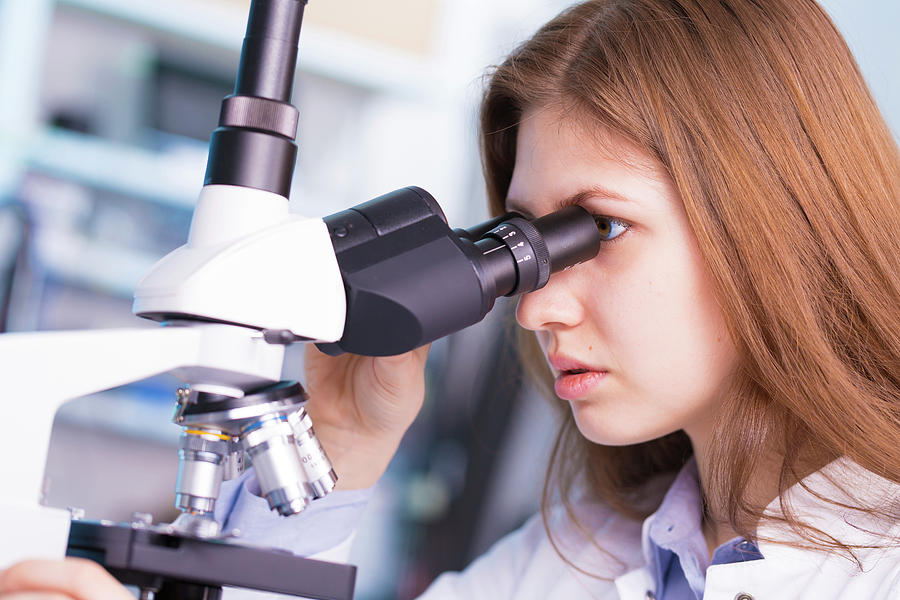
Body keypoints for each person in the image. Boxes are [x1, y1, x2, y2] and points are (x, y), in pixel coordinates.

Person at [2, 0, 899, 598]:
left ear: (774, 220)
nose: (538, 307)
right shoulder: (580, 555)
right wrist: (344, 446)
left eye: (601, 230)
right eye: (531, 245)